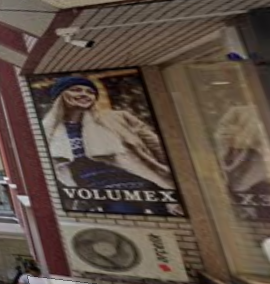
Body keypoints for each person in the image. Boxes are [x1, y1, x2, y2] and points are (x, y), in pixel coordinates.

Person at [40, 75, 178, 216]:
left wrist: (174, 177)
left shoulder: (118, 118)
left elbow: (156, 146)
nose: (85, 94)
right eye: (76, 90)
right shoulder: (49, 130)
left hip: (146, 186)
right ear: (60, 95)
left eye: (90, 92)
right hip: (102, 195)